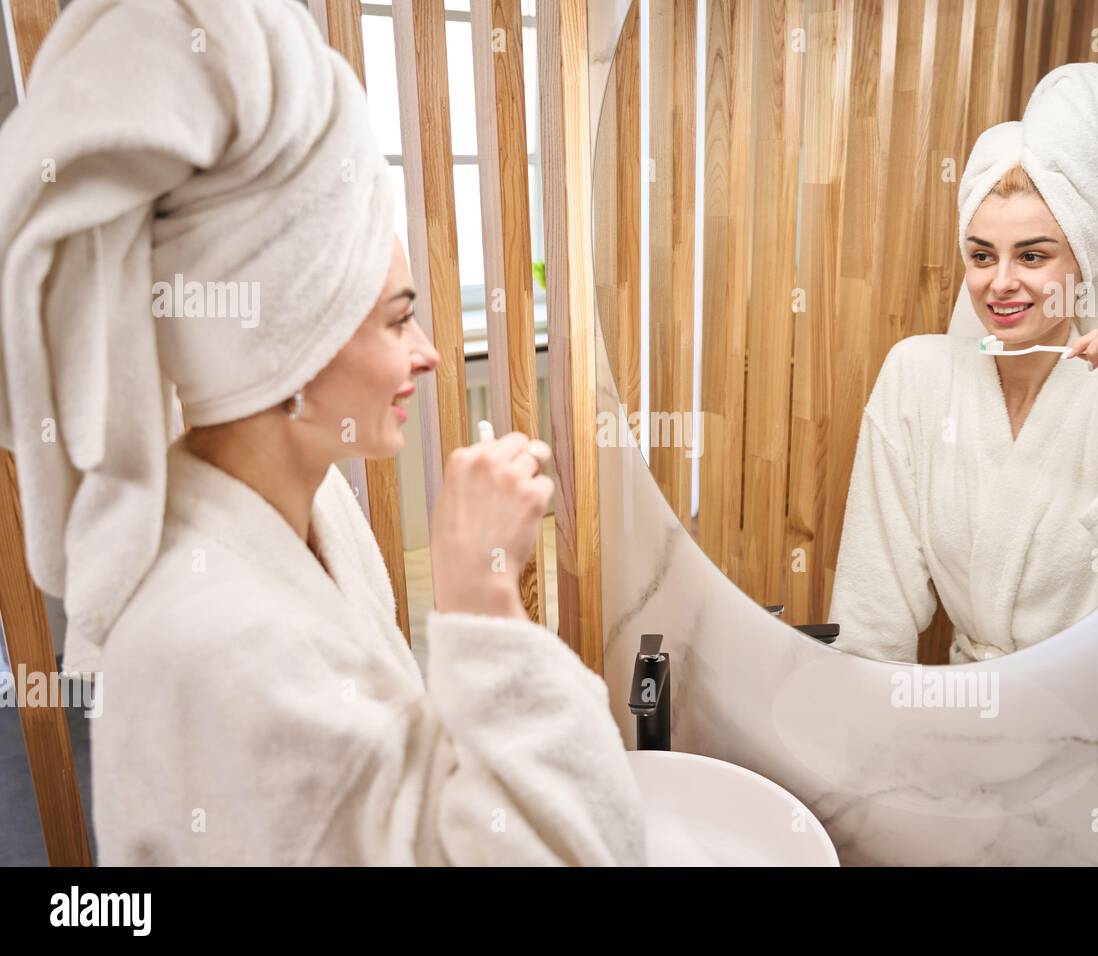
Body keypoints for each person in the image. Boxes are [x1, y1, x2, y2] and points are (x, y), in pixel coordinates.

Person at [0, 0, 643, 865]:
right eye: (395, 321)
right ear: (287, 359)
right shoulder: (219, 649)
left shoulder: (318, 511)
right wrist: (484, 601)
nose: (428, 355)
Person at [828, 63, 1098, 664]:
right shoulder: (917, 376)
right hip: (958, 706)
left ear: (1083, 264)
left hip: (1087, 718)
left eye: (1033, 255)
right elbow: (871, 606)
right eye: (982, 255)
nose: (1002, 283)